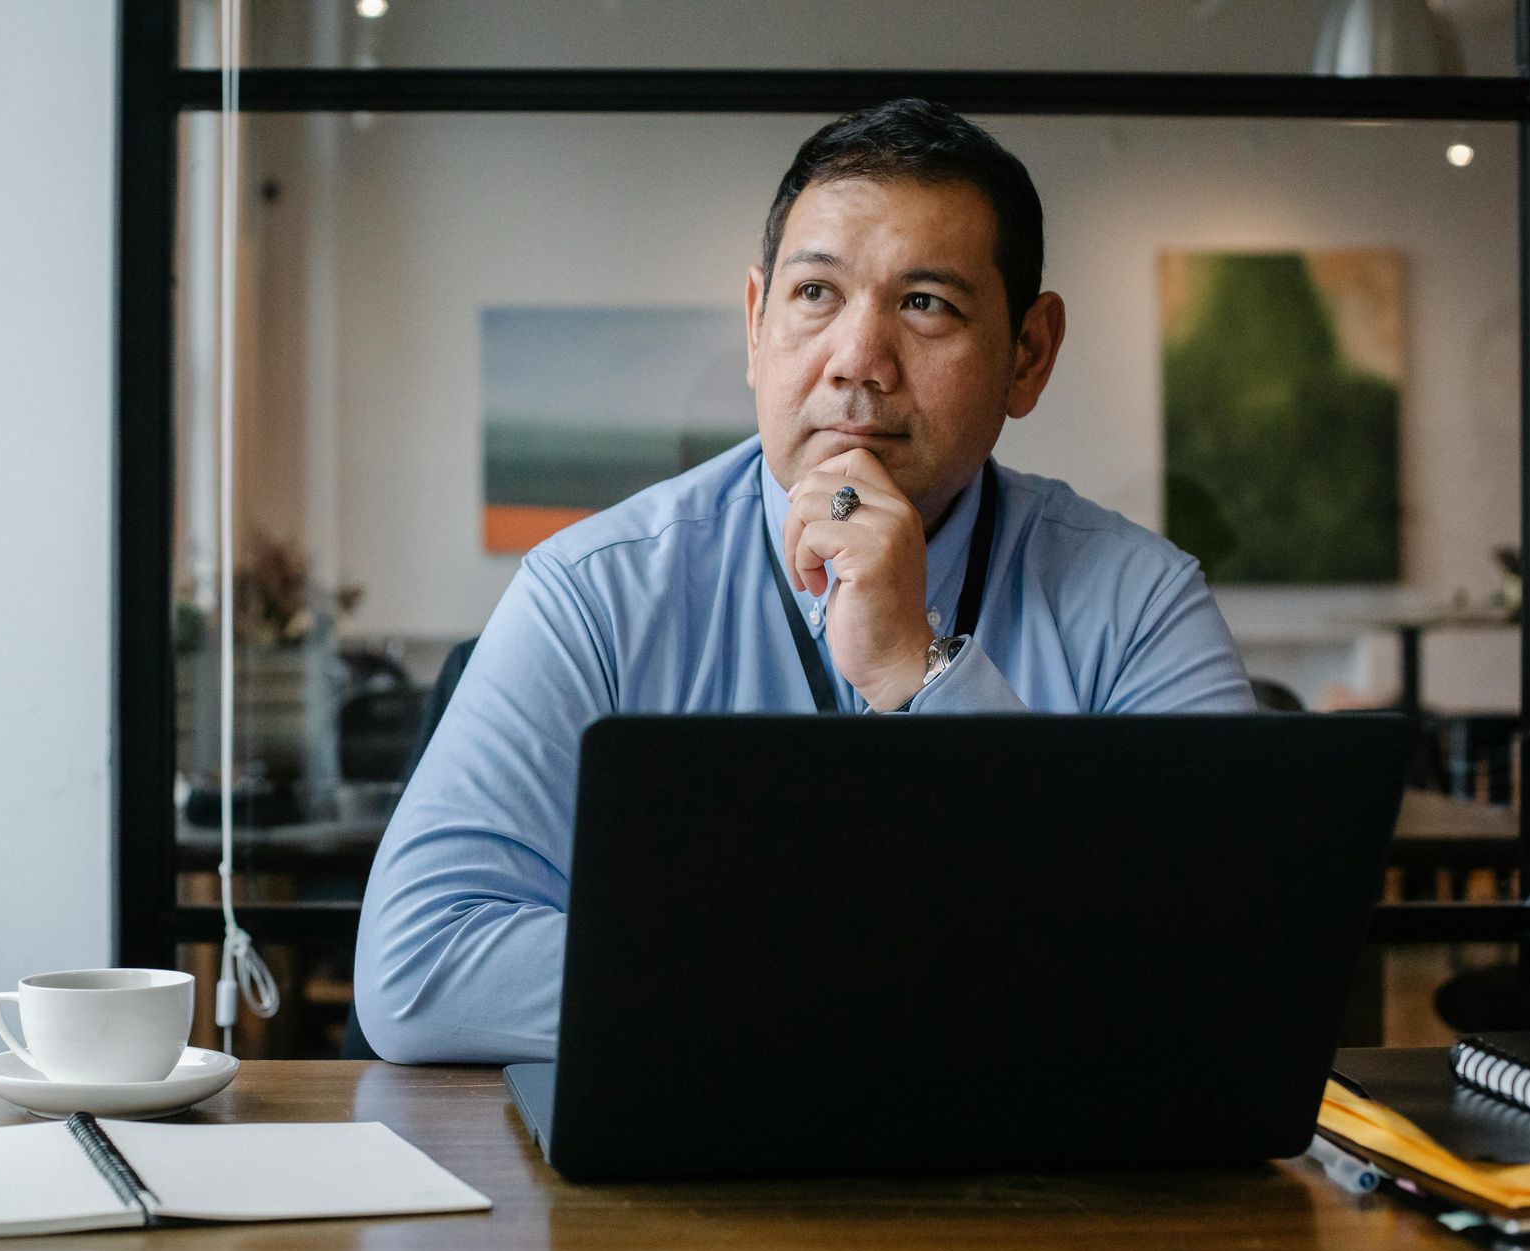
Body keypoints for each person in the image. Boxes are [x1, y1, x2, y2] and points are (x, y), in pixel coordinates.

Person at [354, 98, 1255, 1065]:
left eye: (927, 305)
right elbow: (419, 965)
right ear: (756, 323)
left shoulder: (1138, 603)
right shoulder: (595, 592)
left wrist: (923, 672)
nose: (858, 363)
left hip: (1033, 1194)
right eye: (816, 295)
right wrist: (865, 970)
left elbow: (1237, 967)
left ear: (1027, 356)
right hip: (680, 1193)